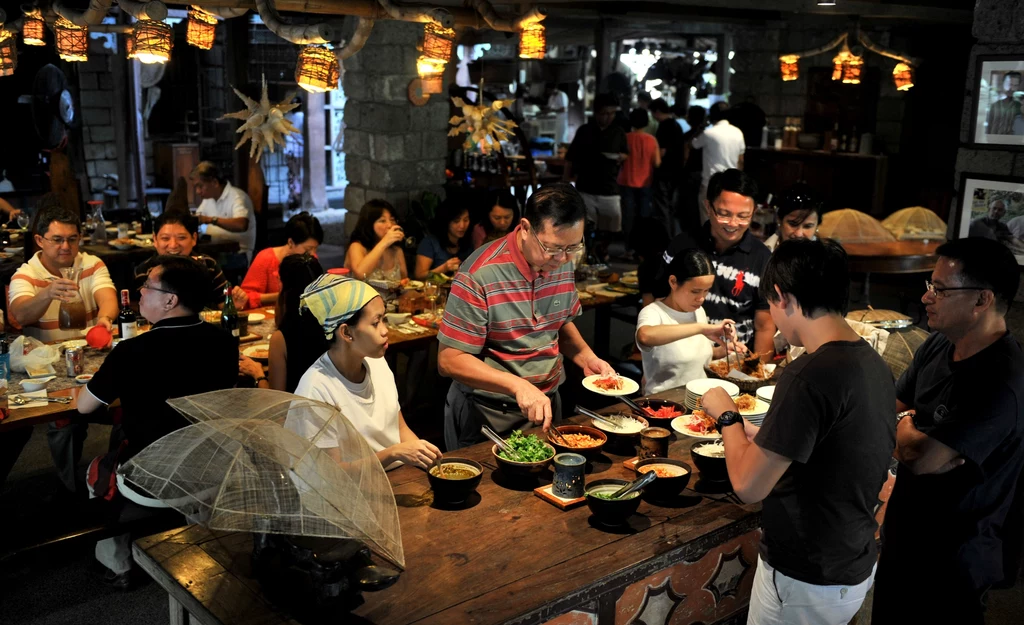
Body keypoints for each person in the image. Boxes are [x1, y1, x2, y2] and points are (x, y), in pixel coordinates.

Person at [701, 238, 896, 625]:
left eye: (771, 305)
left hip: (808, 576)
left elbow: (748, 486)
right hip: (849, 561)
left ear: (780, 295)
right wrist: (763, 440)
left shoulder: (809, 372)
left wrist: (727, 416)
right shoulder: (873, 361)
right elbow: (835, 451)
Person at [872, 238, 1024, 625]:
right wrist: (910, 430)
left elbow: (919, 458)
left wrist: (909, 432)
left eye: (939, 289)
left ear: (981, 300)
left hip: (954, 559)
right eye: (930, 286)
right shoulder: (938, 344)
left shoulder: (1002, 382)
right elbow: (886, 409)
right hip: (905, 536)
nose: (926, 298)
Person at [77, 254, 240, 587]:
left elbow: (84, 408)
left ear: (170, 300)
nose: (140, 294)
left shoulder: (131, 351)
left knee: (96, 468)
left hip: (152, 478)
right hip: (210, 468)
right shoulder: (225, 342)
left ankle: (118, 563)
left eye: (147, 286)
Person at [438, 183, 614, 449]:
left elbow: (557, 323)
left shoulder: (561, 261)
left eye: (573, 247)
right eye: (553, 248)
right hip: (488, 411)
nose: (563, 258)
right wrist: (517, 386)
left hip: (547, 403)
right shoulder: (479, 273)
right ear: (525, 227)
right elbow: (450, 360)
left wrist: (586, 356)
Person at [292, 275, 441, 470]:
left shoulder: (376, 362)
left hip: (394, 476)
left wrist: (427, 461)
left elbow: (400, 428)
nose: (385, 330)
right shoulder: (315, 390)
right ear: (346, 333)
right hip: (348, 493)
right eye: (375, 322)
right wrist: (393, 453)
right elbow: (333, 473)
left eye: (384, 319)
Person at [641, 169, 775, 355]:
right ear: (708, 207)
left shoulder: (762, 258)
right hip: (681, 356)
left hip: (735, 360)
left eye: (743, 216)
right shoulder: (682, 245)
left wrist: (758, 370)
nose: (733, 224)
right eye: (724, 214)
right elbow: (656, 298)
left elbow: (765, 325)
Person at [636, 249, 745, 395]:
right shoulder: (654, 312)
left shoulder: (698, 311)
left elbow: (692, 357)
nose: (701, 298)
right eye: (695, 291)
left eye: (706, 291)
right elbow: (645, 336)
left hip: (699, 399)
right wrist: (702, 328)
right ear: (673, 282)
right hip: (664, 402)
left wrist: (721, 351)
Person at [239, 254, 327, 393]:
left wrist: (258, 375)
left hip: (299, 411)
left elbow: (277, 399)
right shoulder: (334, 324)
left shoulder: (282, 337)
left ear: (284, 287)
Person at [133, 210, 247, 310]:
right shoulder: (145, 270)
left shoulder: (208, 265)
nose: (173, 245)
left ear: (194, 238)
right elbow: (147, 310)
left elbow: (223, 303)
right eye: (165, 238)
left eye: (181, 238)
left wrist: (233, 304)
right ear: (155, 240)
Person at [564, 93, 629, 234]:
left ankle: (603, 253)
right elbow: (570, 158)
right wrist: (566, 180)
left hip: (610, 189)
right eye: (604, 113)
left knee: (611, 230)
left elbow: (625, 153)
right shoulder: (585, 131)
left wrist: (621, 157)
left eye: (611, 114)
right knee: (586, 230)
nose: (608, 117)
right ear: (596, 113)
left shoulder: (618, 132)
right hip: (586, 188)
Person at [240, 212, 323, 308]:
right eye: (308, 249)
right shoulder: (266, 258)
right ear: (291, 242)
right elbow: (244, 297)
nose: (313, 254)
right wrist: (282, 296)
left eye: (315, 248)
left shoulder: (311, 260)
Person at [689, 102, 746, 224]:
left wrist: (702, 127)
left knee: (707, 217)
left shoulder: (709, 133)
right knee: (727, 217)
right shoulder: (738, 133)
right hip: (732, 184)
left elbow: (693, 144)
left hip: (710, 182)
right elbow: (741, 161)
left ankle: (708, 241)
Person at [191, 161, 256, 262]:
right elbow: (197, 218)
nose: (198, 191)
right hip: (217, 251)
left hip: (238, 255)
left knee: (203, 267)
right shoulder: (208, 199)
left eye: (200, 186)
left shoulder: (237, 197)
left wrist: (210, 220)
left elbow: (241, 225)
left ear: (215, 183)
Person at [618, 108, 661, 243]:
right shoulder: (652, 140)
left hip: (626, 181)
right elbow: (657, 163)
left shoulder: (625, 138)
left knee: (628, 216)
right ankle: (642, 246)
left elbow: (619, 159)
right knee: (644, 216)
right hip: (645, 183)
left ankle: (628, 248)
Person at [344, 199, 408, 281]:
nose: (389, 225)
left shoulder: (397, 250)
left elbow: (404, 282)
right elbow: (360, 274)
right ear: (369, 224)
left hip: (393, 294)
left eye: (392, 220)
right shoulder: (356, 247)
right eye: (382, 221)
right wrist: (384, 242)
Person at [650, 98, 685, 235]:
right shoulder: (677, 125)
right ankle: (673, 237)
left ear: (657, 112)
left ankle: (666, 238)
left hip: (664, 173)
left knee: (663, 208)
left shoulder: (664, 127)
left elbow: (662, 151)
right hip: (676, 172)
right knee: (671, 208)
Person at [415, 200, 471, 279]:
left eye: (466, 220)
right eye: (456, 221)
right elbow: (419, 276)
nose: (462, 226)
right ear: (446, 222)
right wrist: (443, 268)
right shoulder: (430, 242)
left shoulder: (468, 241)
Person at [763, 184, 822, 252]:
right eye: (793, 224)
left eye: (807, 226)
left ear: (817, 226)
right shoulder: (762, 253)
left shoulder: (827, 259)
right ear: (779, 220)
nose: (799, 234)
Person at [987, 71, 1021, 136]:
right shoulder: (994, 105)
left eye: (1015, 85)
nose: (1012, 88)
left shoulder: (1019, 106)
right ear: (1003, 83)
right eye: (1009, 84)